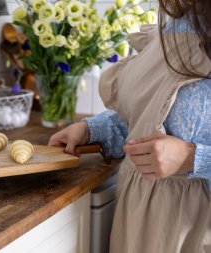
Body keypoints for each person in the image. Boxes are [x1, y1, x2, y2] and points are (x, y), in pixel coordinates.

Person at [48, 0, 211, 252]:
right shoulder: (173, 25)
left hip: (193, 228)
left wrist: (193, 158)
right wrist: (93, 129)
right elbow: (149, 117)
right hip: (136, 221)